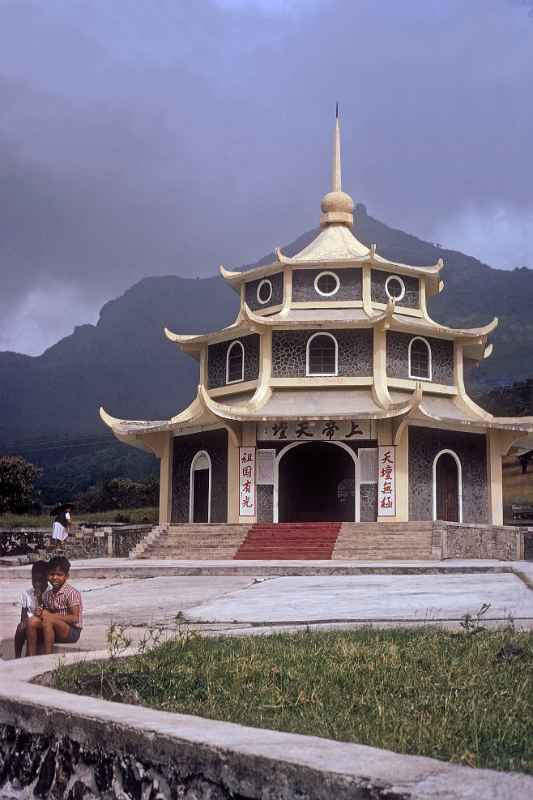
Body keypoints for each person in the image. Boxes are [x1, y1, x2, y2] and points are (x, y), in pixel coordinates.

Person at [26, 556, 83, 656]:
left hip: (71, 631)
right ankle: (31, 657)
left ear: (66, 576)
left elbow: (75, 618)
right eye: (52, 574)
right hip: (54, 628)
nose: (55, 577)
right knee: (32, 621)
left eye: (59, 575)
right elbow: (46, 612)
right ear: (47, 575)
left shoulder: (71, 593)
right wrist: (40, 612)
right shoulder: (48, 595)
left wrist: (51, 616)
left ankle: (48, 658)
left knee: (48, 619)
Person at [14, 560, 49, 658]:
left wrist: (39, 598)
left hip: (42, 624)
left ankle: (29, 657)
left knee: (31, 626)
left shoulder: (50, 593)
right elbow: (23, 615)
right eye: (34, 580)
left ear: (47, 579)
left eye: (40, 580)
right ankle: (17, 656)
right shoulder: (26, 593)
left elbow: (47, 614)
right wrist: (24, 622)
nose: (37, 584)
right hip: (29, 624)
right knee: (20, 627)